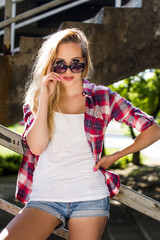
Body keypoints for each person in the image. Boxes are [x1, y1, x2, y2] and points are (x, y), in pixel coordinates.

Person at [0, 28, 160, 240]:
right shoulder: (39, 100)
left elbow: (153, 129)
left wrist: (116, 156)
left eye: (76, 63)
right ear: (51, 65)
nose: (68, 70)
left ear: (85, 63)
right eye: (60, 63)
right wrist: (46, 96)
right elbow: (37, 147)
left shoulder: (103, 97)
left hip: (90, 196)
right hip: (46, 195)